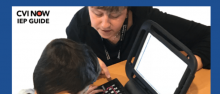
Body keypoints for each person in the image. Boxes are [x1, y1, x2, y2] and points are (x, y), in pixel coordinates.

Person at [66, 6, 210, 79]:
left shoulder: (146, 17)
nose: (104, 25)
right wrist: (85, 62)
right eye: (97, 13)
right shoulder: (79, 24)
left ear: (127, 8)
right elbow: (70, 62)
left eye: (115, 15)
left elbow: (211, 35)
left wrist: (192, 64)